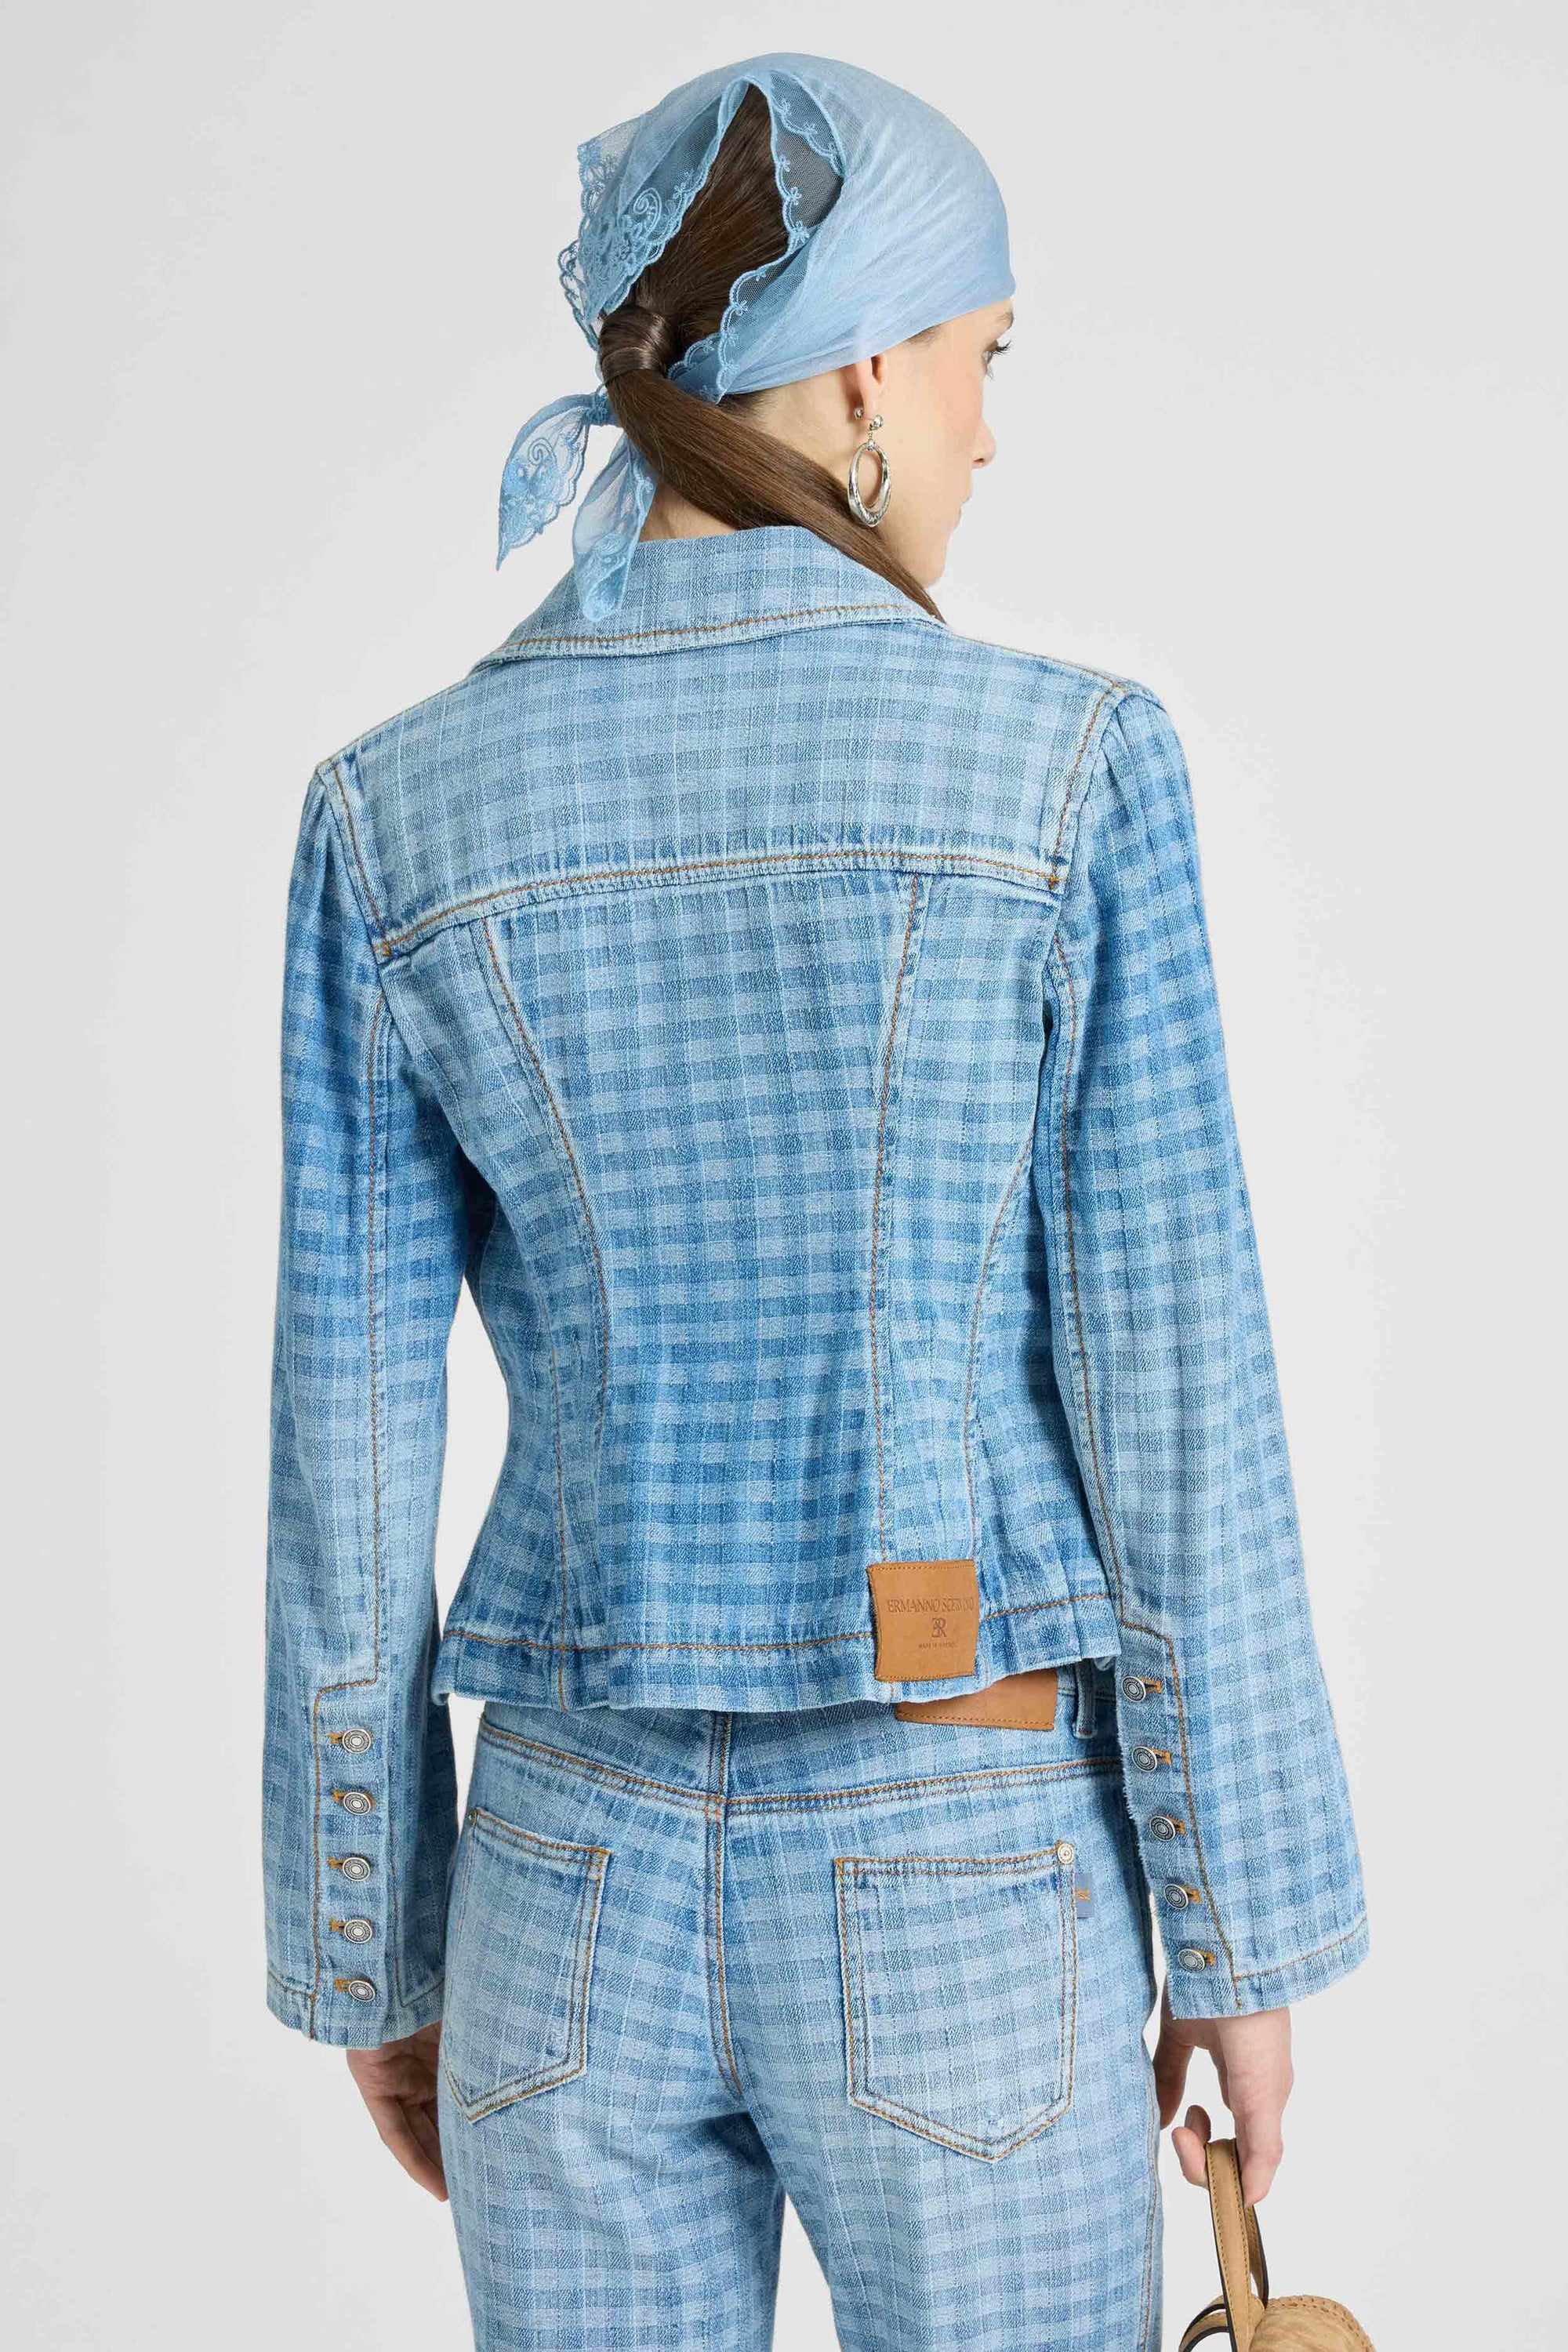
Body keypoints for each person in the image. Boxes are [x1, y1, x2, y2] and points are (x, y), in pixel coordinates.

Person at [263, 51, 1368, 2352]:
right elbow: (1175, 1395)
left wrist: (376, 1942)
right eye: (982, 359)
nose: (987, 430)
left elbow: (343, 1462)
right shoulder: (1064, 770)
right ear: (866, 370)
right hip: (963, 1855)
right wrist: (1240, 1933)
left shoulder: (395, 813)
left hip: (559, 1892)